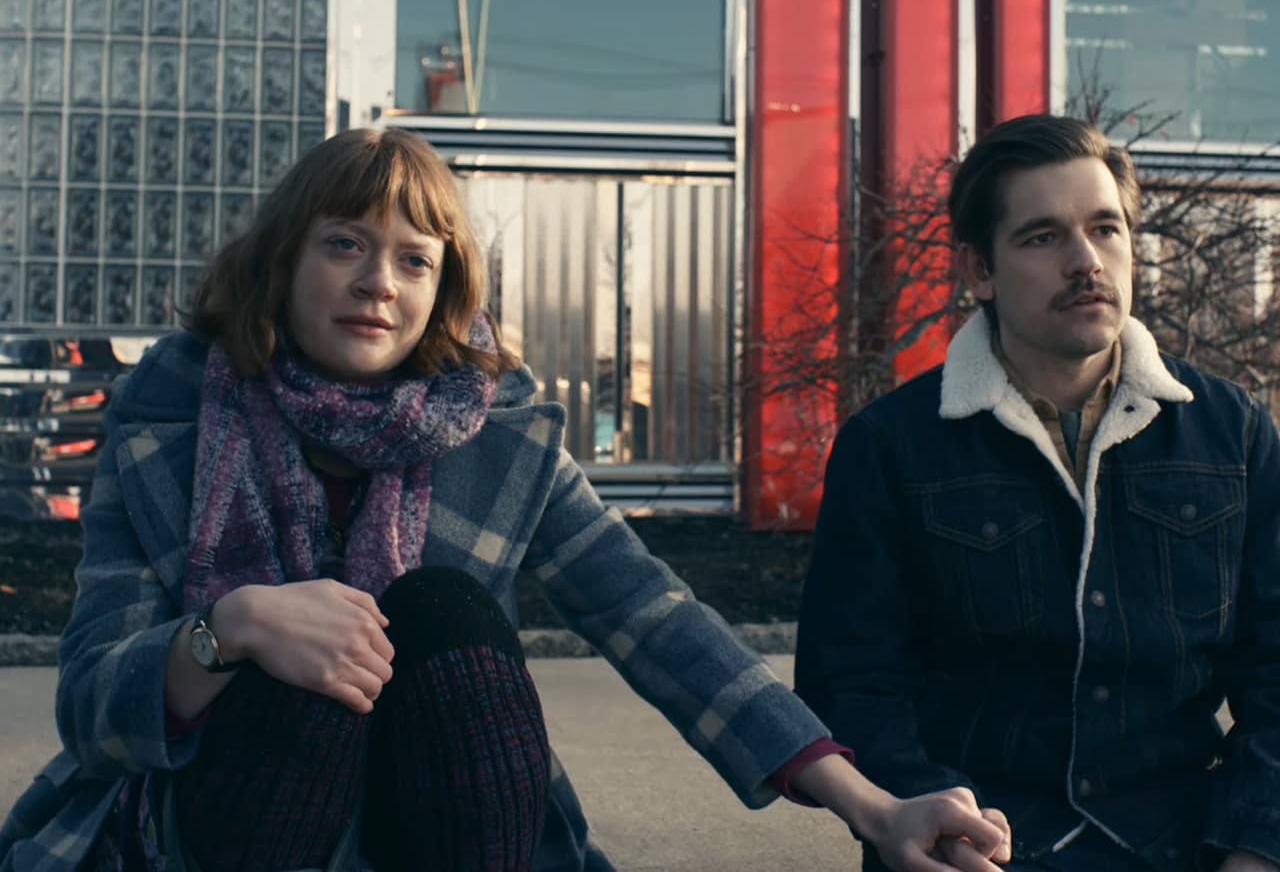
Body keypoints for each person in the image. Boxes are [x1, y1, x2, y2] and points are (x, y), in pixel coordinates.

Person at [0, 128, 1010, 872]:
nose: (376, 284)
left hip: (437, 823)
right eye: (343, 244)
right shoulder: (170, 424)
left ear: (443, 289)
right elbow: (92, 704)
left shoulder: (494, 433)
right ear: (283, 263)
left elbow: (654, 622)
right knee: (311, 640)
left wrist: (868, 805)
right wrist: (230, 629)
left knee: (439, 608)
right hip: (215, 828)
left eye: (412, 259)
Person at [795, 113, 1280, 872]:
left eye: (1106, 228)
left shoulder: (1234, 433)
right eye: (1043, 236)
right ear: (978, 272)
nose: (1086, 260)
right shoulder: (890, 445)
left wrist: (1257, 846)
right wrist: (930, 820)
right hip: (974, 848)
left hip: (1187, 848)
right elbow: (853, 683)